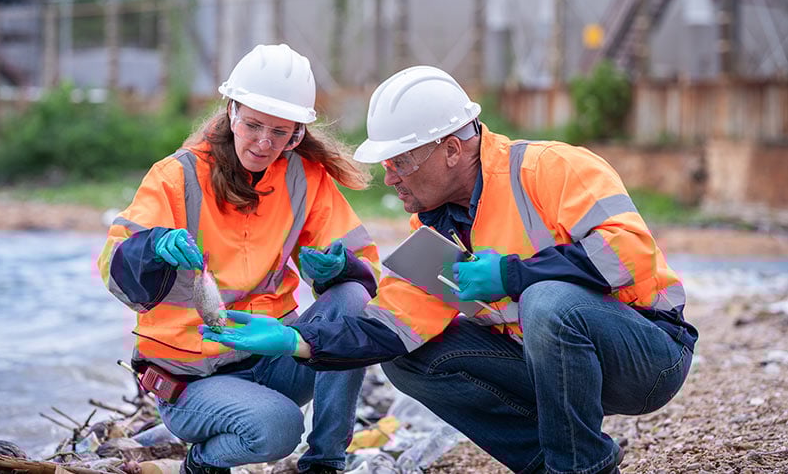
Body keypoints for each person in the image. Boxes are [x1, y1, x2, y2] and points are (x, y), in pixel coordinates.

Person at [201, 65, 698, 474]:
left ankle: (579, 467)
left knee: (548, 300)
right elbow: (390, 327)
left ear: (453, 150)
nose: (389, 178)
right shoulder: (434, 231)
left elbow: (627, 254)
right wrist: (297, 342)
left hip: (647, 358)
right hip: (549, 369)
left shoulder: (553, 169)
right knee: (408, 356)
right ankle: (551, 461)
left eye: (399, 163)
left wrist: (514, 276)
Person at [98, 43, 380, 474]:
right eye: (253, 125)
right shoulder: (175, 176)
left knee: (353, 303)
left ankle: (326, 463)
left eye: (281, 132)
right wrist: (150, 247)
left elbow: (366, 268)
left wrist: (342, 268)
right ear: (231, 111)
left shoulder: (305, 178)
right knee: (280, 428)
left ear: (297, 134)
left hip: (274, 357)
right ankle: (204, 462)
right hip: (193, 379)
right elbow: (114, 270)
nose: (264, 143)